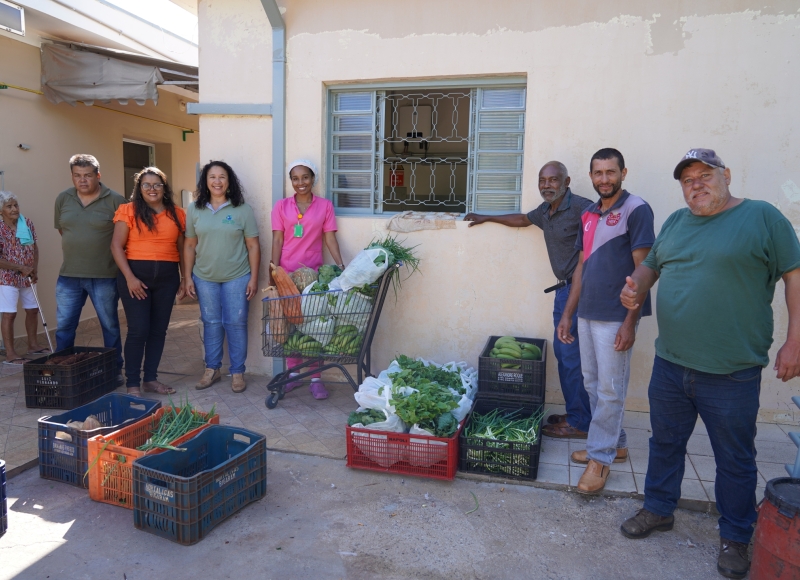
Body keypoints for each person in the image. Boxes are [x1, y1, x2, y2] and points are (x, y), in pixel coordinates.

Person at [618, 149, 800, 579]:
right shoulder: (678, 222)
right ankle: (659, 509)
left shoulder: (763, 217)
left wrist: (795, 341)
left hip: (732, 371)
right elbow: (651, 267)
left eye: (705, 175)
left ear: (726, 175)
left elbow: (795, 277)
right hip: (671, 363)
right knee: (664, 443)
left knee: (734, 458)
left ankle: (736, 535)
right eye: (687, 179)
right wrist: (635, 286)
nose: (696, 184)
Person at [464, 161, 593, 437]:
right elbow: (523, 219)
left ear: (566, 182)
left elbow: (599, 247)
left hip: (581, 290)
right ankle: (577, 413)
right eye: (542, 180)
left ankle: (580, 422)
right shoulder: (546, 211)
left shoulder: (583, 208)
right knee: (565, 355)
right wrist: (488, 217)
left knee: (571, 357)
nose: (547, 185)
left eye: (553, 180)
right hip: (563, 290)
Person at [557, 148, 655, 494]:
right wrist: (568, 313)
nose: (604, 179)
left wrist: (630, 322)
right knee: (593, 384)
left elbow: (645, 269)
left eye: (610, 172)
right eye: (598, 173)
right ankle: (618, 443)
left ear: (623, 173)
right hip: (587, 312)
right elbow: (581, 268)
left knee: (611, 389)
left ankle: (600, 460)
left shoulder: (636, 209)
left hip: (616, 316)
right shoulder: (588, 214)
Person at [184, 161, 260, 393]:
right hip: (204, 277)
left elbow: (253, 246)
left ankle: (237, 372)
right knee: (211, 323)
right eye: (212, 177)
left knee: (235, 323)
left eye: (222, 177)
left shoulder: (242, 209)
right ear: (205, 182)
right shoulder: (195, 209)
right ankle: (212, 369)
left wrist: (254, 278)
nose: (217, 181)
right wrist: (187, 277)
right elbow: (189, 245)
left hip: (237, 277)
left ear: (229, 181)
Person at [271, 159, 344, 400]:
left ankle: (315, 378)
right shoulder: (281, 206)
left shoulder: (324, 206)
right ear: (290, 181)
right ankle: (293, 375)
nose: (300, 183)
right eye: (295, 178)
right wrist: (274, 270)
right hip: (287, 274)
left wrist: (341, 266)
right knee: (291, 326)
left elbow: (330, 238)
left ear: (313, 179)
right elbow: (278, 240)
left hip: (313, 274)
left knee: (314, 326)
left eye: (305, 177)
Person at [111, 167, 185, 396]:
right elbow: (116, 246)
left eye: (157, 185)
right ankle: (133, 382)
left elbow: (182, 249)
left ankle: (150, 379)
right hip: (135, 277)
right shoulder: (128, 210)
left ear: (164, 188)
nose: (152, 189)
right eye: (146, 185)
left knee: (158, 331)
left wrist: (184, 278)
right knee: (138, 330)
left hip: (167, 278)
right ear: (139, 188)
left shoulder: (178, 214)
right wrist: (130, 278)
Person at [54, 154, 126, 384]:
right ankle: (63, 373)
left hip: (104, 275)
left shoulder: (116, 200)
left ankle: (114, 372)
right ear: (72, 176)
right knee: (64, 328)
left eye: (87, 175)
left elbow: (124, 238)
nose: (82, 180)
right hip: (69, 276)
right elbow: (63, 230)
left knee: (110, 326)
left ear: (98, 175)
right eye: (77, 176)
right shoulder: (63, 199)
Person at [0, 191, 47, 364]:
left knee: (32, 309)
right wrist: (20, 267)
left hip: (28, 275)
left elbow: (34, 247)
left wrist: (34, 269)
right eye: (9, 206)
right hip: (7, 278)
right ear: (1, 211)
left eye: (16, 205)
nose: (14, 209)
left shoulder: (26, 223)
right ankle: (11, 354)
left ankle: (33, 345)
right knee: (9, 314)